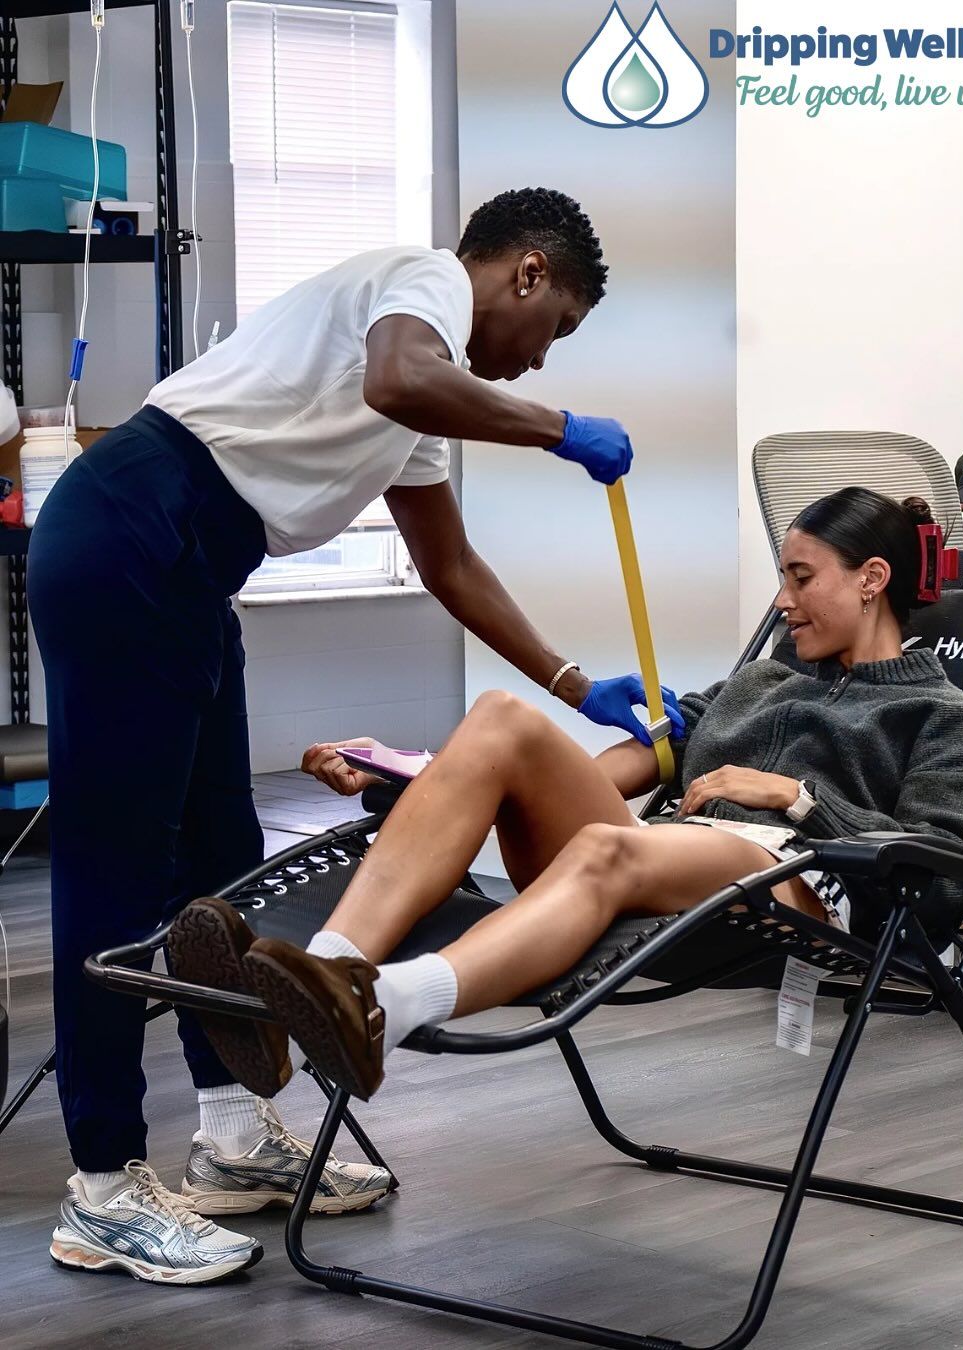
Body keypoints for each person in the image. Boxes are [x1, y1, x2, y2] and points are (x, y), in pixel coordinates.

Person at [31, 186, 685, 1285]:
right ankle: (101, 1186)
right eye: (555, 327)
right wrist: (560, 432)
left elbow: (451, 568)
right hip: (133, 525)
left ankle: (234, 1138)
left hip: (190, 567)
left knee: (218, 867)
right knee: (112, 869)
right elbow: (401, 375)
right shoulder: (418, 282)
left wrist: (577, 684)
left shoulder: (422, 408)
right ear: (524, 271)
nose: (535, 364)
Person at [170, 488, 963, 1110]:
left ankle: (385, 1007)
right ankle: (323, 974)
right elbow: (625, 768)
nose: (782, 600)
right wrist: (430, 784)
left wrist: (797, 799)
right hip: (667, 860)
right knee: (502, 719)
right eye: (781, 578)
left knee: (613, 848)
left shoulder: (949, 717)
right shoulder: (760, 679)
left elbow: (947, 880)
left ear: (872, 579)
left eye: (801, 577)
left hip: (803, 885)